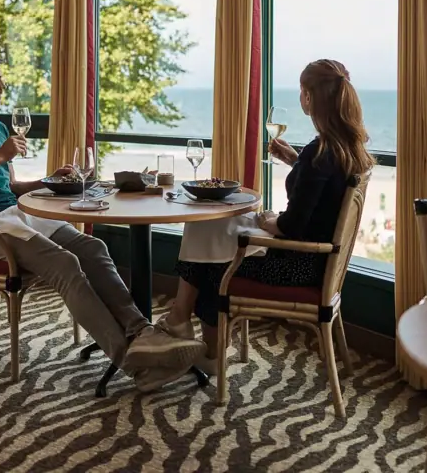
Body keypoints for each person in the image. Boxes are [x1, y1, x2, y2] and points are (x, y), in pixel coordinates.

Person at [0, 50, 205, 391]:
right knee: (65, 263)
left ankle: (141, 331)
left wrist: (48, 180)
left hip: (15, 214)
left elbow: (10, 186)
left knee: (92, 247)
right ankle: (130, 359)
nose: (3, 85)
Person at [154, 59, 374, 372]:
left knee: (213, 270)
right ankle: (179, 321)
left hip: (297, 265)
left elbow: (291, 225)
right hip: (320, 263)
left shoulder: (320, 151)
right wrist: (295, 161)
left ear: (308, 97)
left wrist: (264, 221)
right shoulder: (346, 147)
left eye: (302, 91)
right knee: (207, 229)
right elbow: (324, 188)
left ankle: (208, 352)